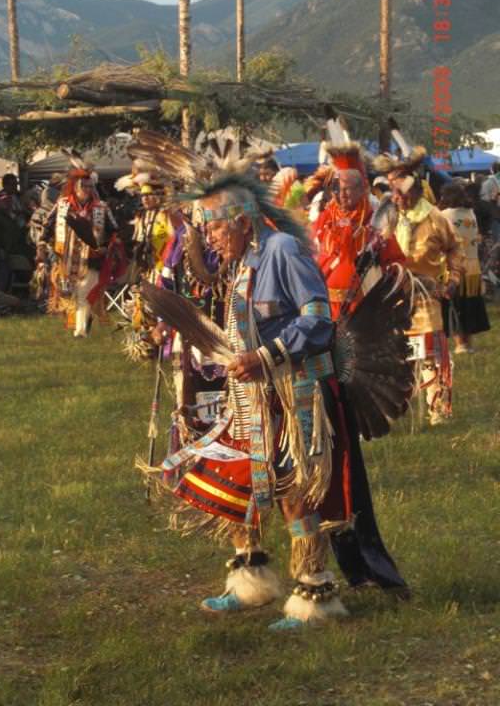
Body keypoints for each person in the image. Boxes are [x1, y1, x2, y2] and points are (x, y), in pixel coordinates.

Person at [133, 130, 412, 631]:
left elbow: (318, 317)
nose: (210, 239)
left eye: (215, 229)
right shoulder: (241, 261)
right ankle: (251, 578)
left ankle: (315, 592)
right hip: (253, 395)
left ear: (241, 222)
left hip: (296, 392)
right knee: (236, 481)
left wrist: (266, 356)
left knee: (296, 491)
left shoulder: (282, 250)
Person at [386, 165, 464, 425]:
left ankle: (437, 407)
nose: (396, 197)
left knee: (431, 354)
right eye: (393, 192)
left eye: (401, 192)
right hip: (392, 298)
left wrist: (453, 279)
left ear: (417, 191)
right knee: (396, 355)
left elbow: (454, 248)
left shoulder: (435, 218)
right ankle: (394, 408)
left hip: (425, 297)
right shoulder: (388, 217)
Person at [315, 144, 404, 319]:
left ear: (362, 189)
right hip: (325, 306)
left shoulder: (374, 222)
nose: (341, 194)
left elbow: (395, 261)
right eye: (337, 189)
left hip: (363, 311)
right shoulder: (324, 219)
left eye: (347, 189)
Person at [41, 168, 118, 337]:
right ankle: (83, 320)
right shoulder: (63, 204)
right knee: (72, 292)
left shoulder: (101, 207)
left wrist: (106, 246)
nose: (87, 190)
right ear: (75, 187)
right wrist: (43, 243)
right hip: (67, 256)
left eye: (90, 186)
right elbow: (48, 224)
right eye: (84, 186)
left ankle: (80, 330)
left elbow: (113, 230)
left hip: (93, 257)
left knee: (85, 291)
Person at [439, 181, 490, 352]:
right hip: (473, 265)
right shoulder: (470, 213)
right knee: (469, 303)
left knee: (456, 303)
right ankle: (469, 343)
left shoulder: (445, 215)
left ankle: (460, 344)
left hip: (455, 265)